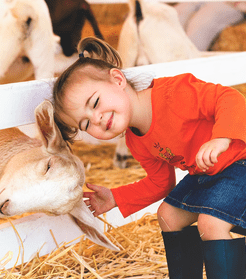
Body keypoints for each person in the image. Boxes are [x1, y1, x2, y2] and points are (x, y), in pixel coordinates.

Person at [52, 36, 246, 279]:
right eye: (86, 123)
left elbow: (229, 98)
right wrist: (115, 197)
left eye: (96, 102)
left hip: (240, 161)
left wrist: (222, 138)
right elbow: (161, 184)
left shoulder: (173, 94)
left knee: (210, 223)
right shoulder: (136, 140)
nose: (97, 118)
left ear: (118, 79)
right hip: (210, 175)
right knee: (167, 215)